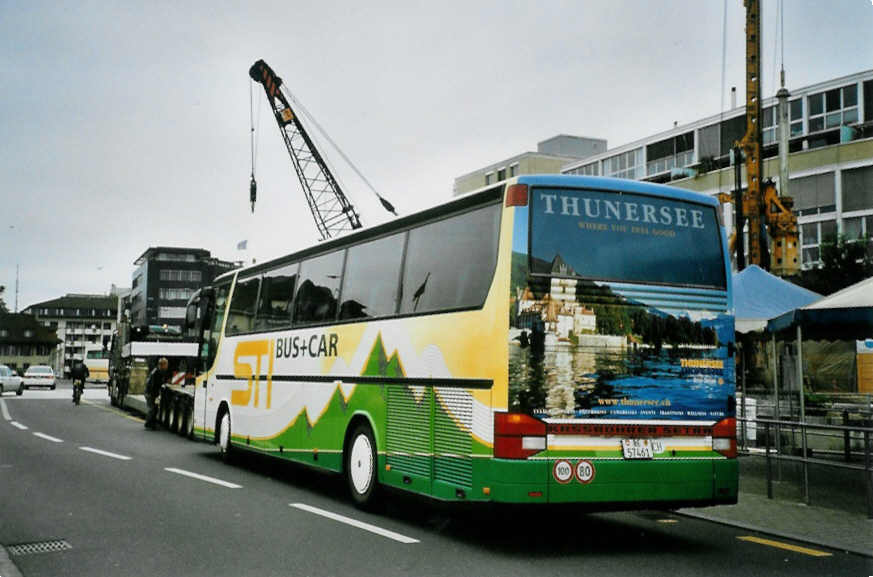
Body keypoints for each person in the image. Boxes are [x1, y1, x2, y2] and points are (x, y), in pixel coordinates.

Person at [145, 357, 172, 430]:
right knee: (152, 408)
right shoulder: (156, 372)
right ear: (162, 365)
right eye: (166, 365)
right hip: (151, 393)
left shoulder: (158, 371)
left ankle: (151, 423)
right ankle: (149, 423)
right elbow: (154, 385)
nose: (167, 366)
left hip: (153, 393)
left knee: (155, 408)